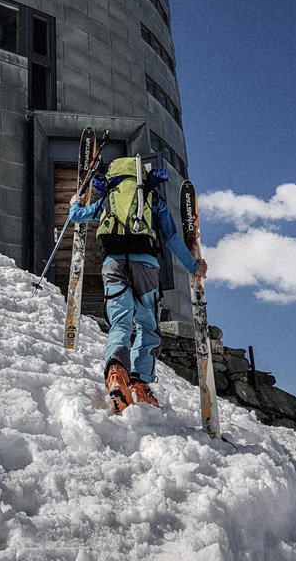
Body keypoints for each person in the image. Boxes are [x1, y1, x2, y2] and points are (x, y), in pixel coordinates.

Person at [68, 159, 207, 413]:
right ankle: (140, 384)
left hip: (113, 263)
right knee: (147, 325)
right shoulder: (153, 199)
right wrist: (194, 266)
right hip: (146, 266)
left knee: (120, 322)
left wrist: (75, 203)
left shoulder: (109, 199)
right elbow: (173, 239)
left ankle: (116, 372)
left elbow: (76, 216)